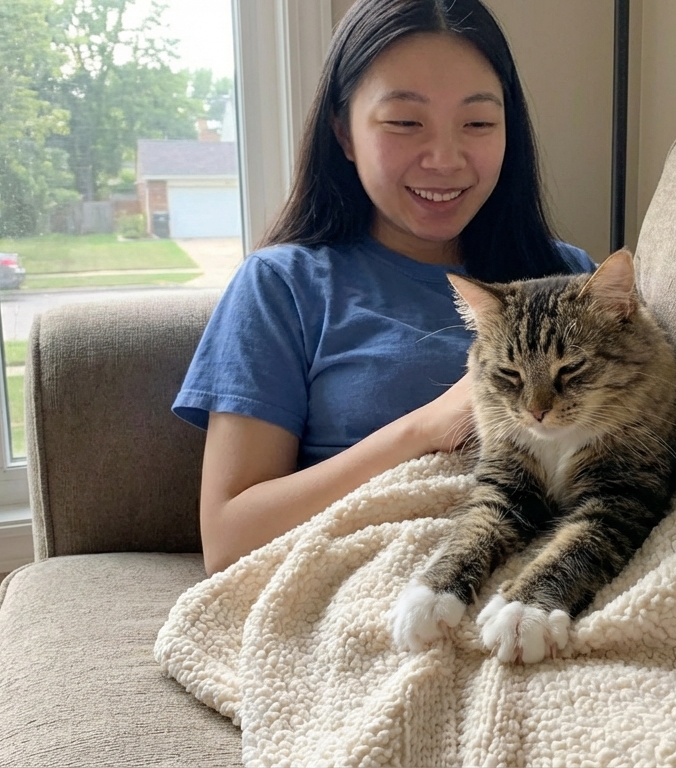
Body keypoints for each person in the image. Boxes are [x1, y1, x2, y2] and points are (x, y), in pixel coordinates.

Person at [173, 0, 595, 575]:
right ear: (344, 132)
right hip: (386, 581)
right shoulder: (283, 286)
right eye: (404, 122)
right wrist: (426, 428)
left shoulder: (566, 279)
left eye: (477, 123)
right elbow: (228, 539)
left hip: (551, 577)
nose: (445, 159)